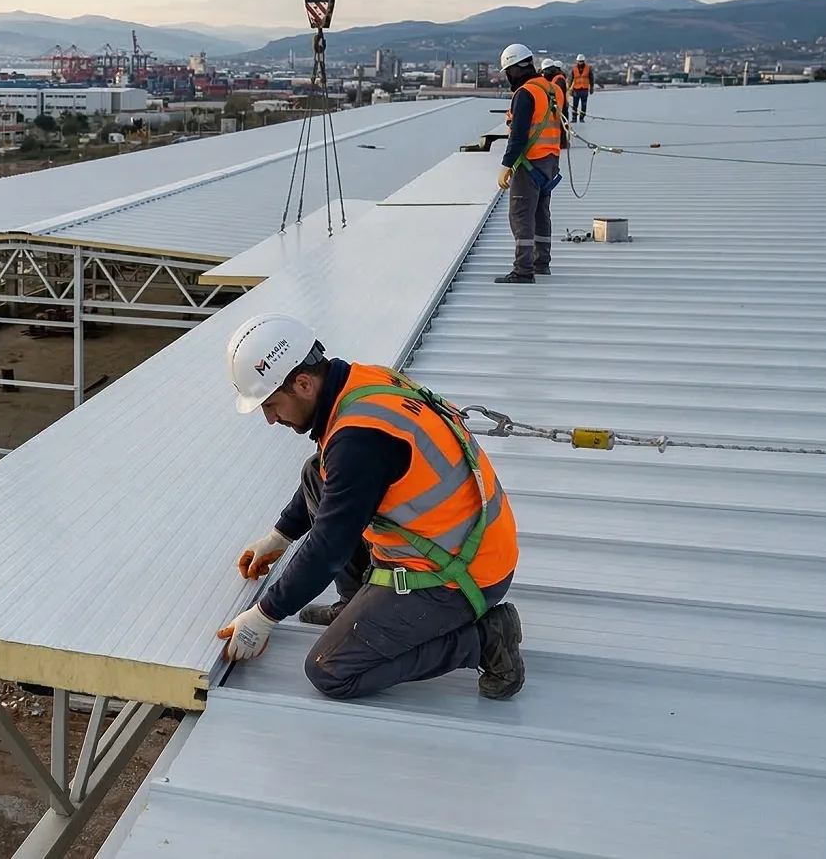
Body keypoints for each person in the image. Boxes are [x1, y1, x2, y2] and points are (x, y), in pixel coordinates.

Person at [215, 314, 525, 701]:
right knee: (317, 471)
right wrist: (281, 535)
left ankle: (484, 640)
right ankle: (354, 606)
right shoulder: (359, 383)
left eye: (272, 404)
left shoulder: (359, 440)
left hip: (460, 574)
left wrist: (264, 615)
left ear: (304, 384)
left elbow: (329, 547)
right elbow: (330, 478)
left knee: (330, 671)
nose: (270, 418)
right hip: (456, 541)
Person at [494, 43, 565, 283]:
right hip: (550, 163)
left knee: (521, 216)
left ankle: (523, 271)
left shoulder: (525, 93)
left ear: (514, 68)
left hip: (529, 163)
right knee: (541, 214)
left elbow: (519, 134)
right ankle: (541, 263)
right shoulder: (551, 88)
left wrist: (506, 165)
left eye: (508, 72)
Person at [569, 54, 594, 121]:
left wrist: (591, 87)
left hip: (584, 89)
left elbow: (591, 78)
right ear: (577, 61)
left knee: (584, 105)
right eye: (579, 61)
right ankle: (574, 118)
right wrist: (569, 89)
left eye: (582, 61)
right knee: (575, 105)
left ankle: (582, 118)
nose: (580, 63)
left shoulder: (588, 68)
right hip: (576, 89)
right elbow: (571, 79)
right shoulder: (574, 69)